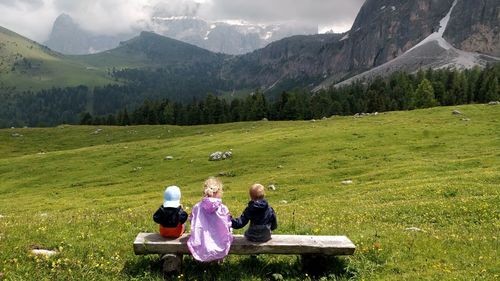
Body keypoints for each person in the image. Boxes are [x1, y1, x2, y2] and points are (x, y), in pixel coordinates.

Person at [187, 177, 233, 262]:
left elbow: (192, 221)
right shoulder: (223, 208)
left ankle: (200, 260)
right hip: (220, 244)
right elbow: (229, 224)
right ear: (219, 192)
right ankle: (218, 260)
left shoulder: (197, 207)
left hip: (201, 243)